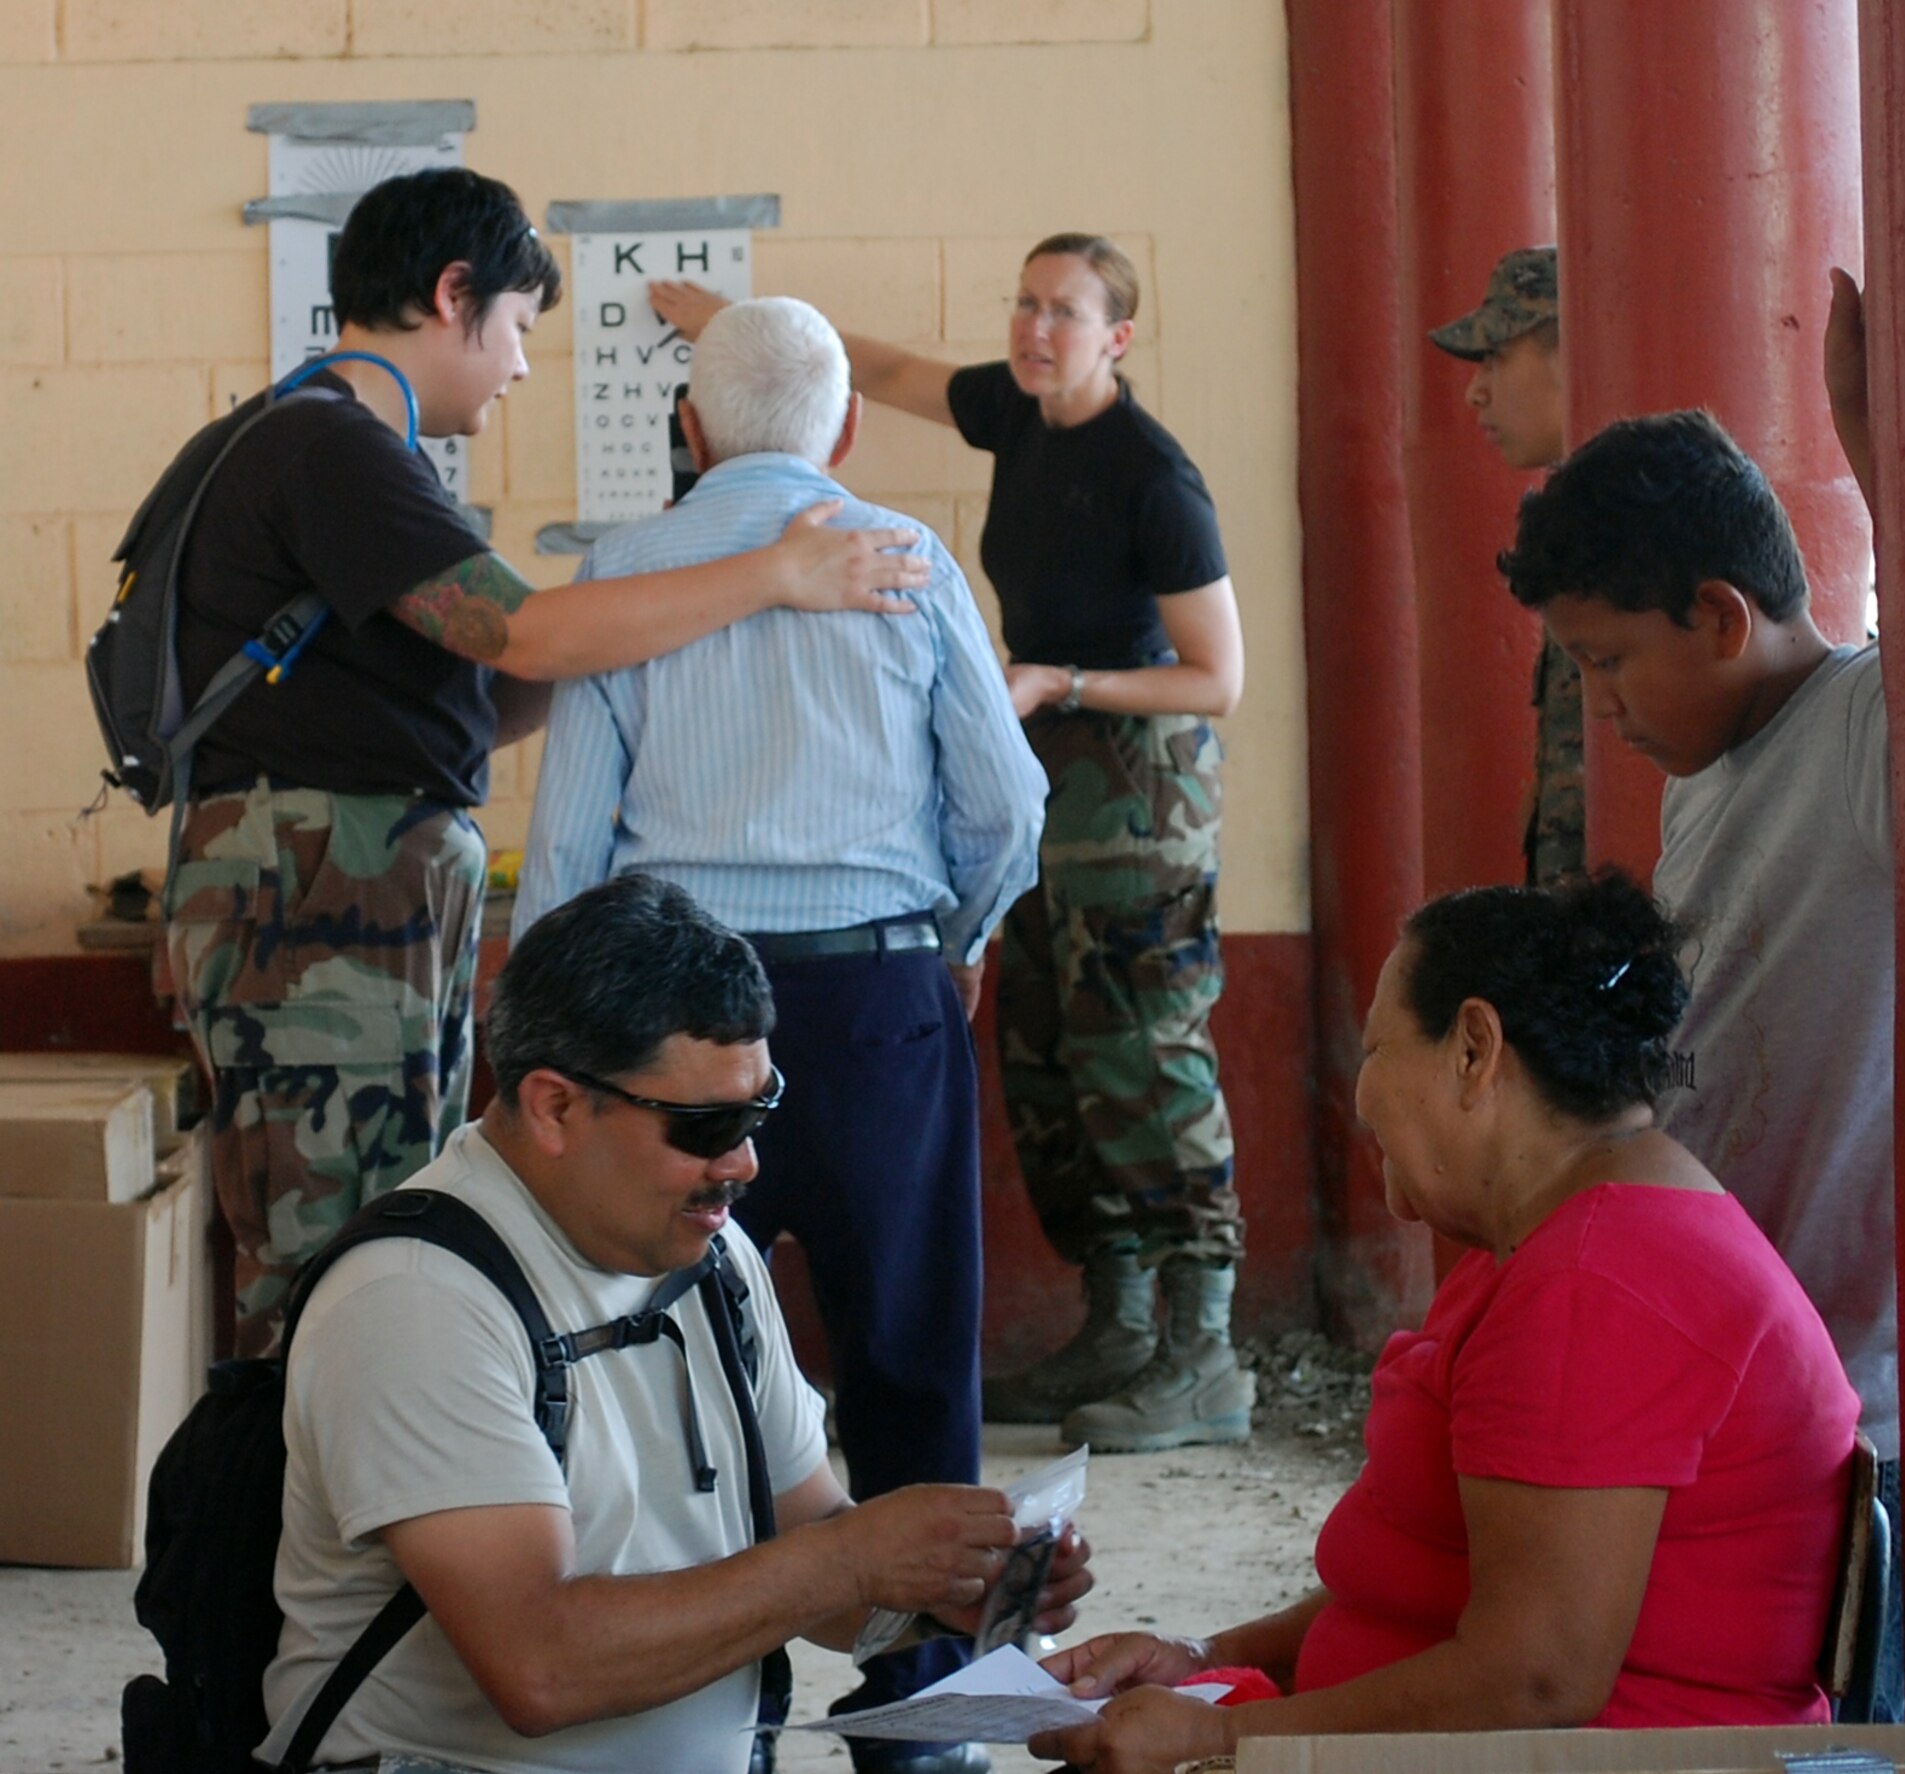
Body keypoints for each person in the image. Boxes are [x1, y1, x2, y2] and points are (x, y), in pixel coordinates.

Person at [161, 167, 929, 1357]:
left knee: (373, 1242)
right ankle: (311, 1537)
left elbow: (484, 687)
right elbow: (524, 633)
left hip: (341, 893)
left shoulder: (340, 450)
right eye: (516, 326)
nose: (520, 366)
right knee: (330, 1260)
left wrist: (644, 634)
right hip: (317, 902)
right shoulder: (333, 449)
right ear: (451, 293)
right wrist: (774, 575)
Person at [513, 296, 1047, 1774]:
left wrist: (556, 1045)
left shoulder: (624, 573)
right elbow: (1008, 806)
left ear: (688, 431)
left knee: (646, 1349)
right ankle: (926, 1724)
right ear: (850, 428)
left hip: (664, 1028)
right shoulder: (910, 561)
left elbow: (565, 858)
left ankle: (672, 1685)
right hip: (878, 1008)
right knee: (911, 1362)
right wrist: (947, 945)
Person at [1026, 873, 1860, 1773]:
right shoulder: (1546, 1245)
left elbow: (1538, 1679)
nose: (1360, 1095)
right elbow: (1422, 1583)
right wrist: (1205, 1659)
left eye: (1378, 1047)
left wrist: (1218, 1735)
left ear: (1473, 1049)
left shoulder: (1598, 1283)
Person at [261, 873, 1091, 1774]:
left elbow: (809, 1573)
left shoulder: (712, 1262)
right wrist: (851, 1561)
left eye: (760, 1109)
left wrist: (943, 1592)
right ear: (555, 1106)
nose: (742, 1161)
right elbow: (537, 1667)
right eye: (706, 1125)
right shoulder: (416, 1299)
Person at [652, 232, 1249, 1456]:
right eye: (1023, 305)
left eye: (1064, 314)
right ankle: (1118, 1322)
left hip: (1136, 801)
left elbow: (1216, 677)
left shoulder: (1152, 474)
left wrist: (1061, 678)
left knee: (1147, 1059)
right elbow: (876, 367)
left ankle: (1204, 1351)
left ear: (1116, 338)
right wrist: (733, 323)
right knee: (1054, 1061)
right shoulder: (1016, 412)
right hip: (1043, 788)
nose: (1035, 331)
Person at [1500, 401, 1900, 1720]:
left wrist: (1882, 439)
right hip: (1726, 1367)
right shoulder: (1704, 771)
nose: (1599, 707)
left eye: (1609, 664)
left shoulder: (1869, 738)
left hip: (1864, 1397)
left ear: (1724, 617)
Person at [1427, 243, 1583, 886]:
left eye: (1496, 356)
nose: (1475, 392)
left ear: (1573, 353)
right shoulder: (1574, 509)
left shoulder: (1632, 524)